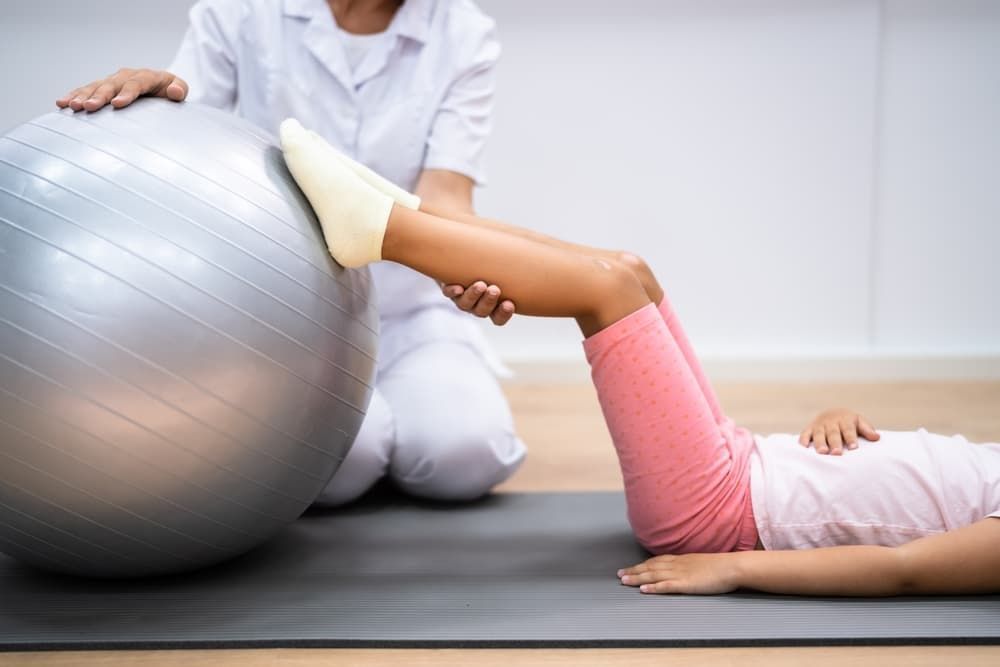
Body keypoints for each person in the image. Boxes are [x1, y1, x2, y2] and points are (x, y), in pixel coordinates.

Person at [276, 118, 1000, 596]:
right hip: (747, 457)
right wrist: (840, 418)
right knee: (634, 271)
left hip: (721, 510)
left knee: (608, 291)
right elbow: (911, 483)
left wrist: (735, 566)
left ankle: (380, 229)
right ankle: (407, 214)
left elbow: (901, 568)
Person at [56, 0, 527, 506]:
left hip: (412, 310)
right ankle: (380, 435)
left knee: (462, 459)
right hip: (290, 317)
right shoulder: (238, 12)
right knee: (343, 466)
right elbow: (186, 126)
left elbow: (445, 199)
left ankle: (402, 419)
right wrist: (150, 102)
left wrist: (482, 271)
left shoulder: (461, 28)